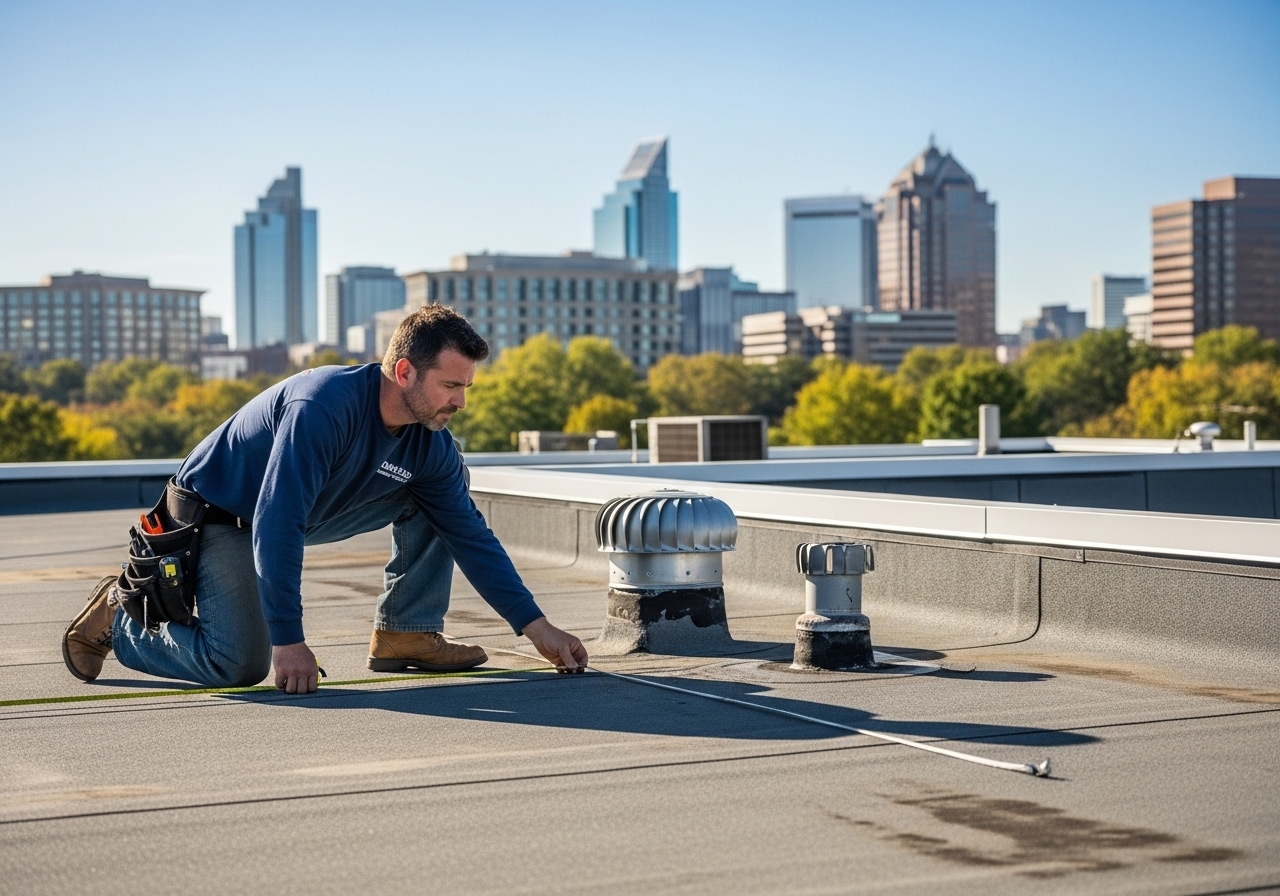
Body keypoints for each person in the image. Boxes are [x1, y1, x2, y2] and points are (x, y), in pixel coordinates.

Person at [62, 305, 588, 693]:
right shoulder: (323, 408)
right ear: (404, 371)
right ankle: (121, 618)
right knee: (239, 665)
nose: (461, 401)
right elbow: (277, 519)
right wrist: (289, 640)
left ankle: (405, 632)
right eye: (452, 385)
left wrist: (536, 628)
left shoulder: (431, 443)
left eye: (467, 387)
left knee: (444, 501)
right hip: (219, 516)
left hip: (298, 510)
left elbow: (469, 535)